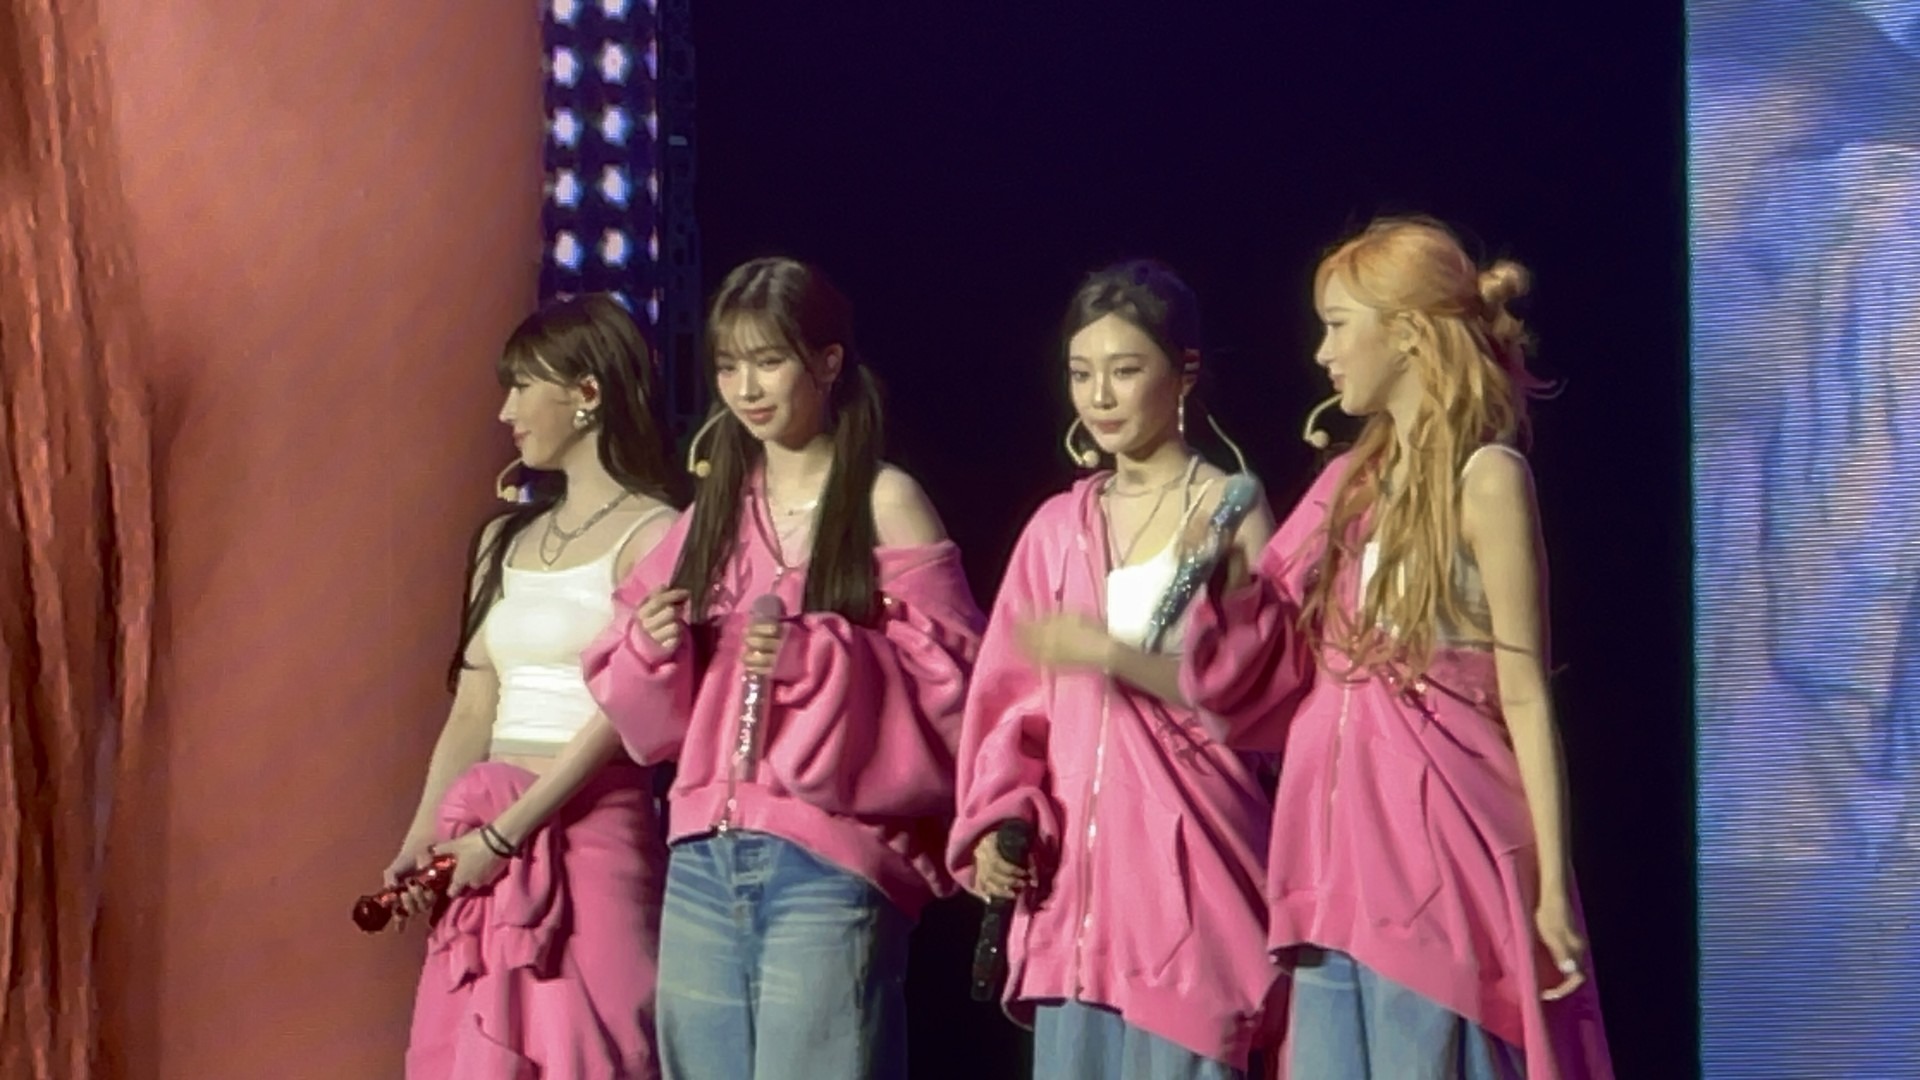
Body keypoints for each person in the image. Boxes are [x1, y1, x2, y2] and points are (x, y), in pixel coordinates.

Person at [1181, 217, 1613, 1078]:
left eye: (1339, 324)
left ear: (1408, 332)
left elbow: (1525, 692)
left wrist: (1555, 881)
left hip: (1434, 849)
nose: (1321, 352)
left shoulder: (1486, 477)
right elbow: (1261, 651)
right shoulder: (1346, 485)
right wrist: (1221, 574)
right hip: (1329, 850)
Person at [581, 256, 985, 1080]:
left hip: (828, 860)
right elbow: (642, 713)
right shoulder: (715, 513)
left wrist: (824, 656)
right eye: (729, 365)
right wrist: (655, 646)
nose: (745, 386)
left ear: (827, 361)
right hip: (701, 854)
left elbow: (955, 686)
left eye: (768, 360)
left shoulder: (883, 499)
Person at [947, 260, 1283, 1080]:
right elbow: (1008, 710)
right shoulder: (1056, 528)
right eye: (1081, 373)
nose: (1099, 396)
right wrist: (998, 817)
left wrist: (1111, 657)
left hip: (1192, 878)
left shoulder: (1230, 509)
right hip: (1075, 905)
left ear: (1184, 374)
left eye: (1125, 371)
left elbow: (1267, 696)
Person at [385, 293, 687, 1079]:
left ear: (588, 395)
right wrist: (422, 836)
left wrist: (508, 831)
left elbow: (626, 713)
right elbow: (475, 702)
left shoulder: (655, 534)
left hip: (590, 829)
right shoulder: (501, 538)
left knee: (594, 1047)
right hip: (485, 837)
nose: (506, 410)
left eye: (524, 387)